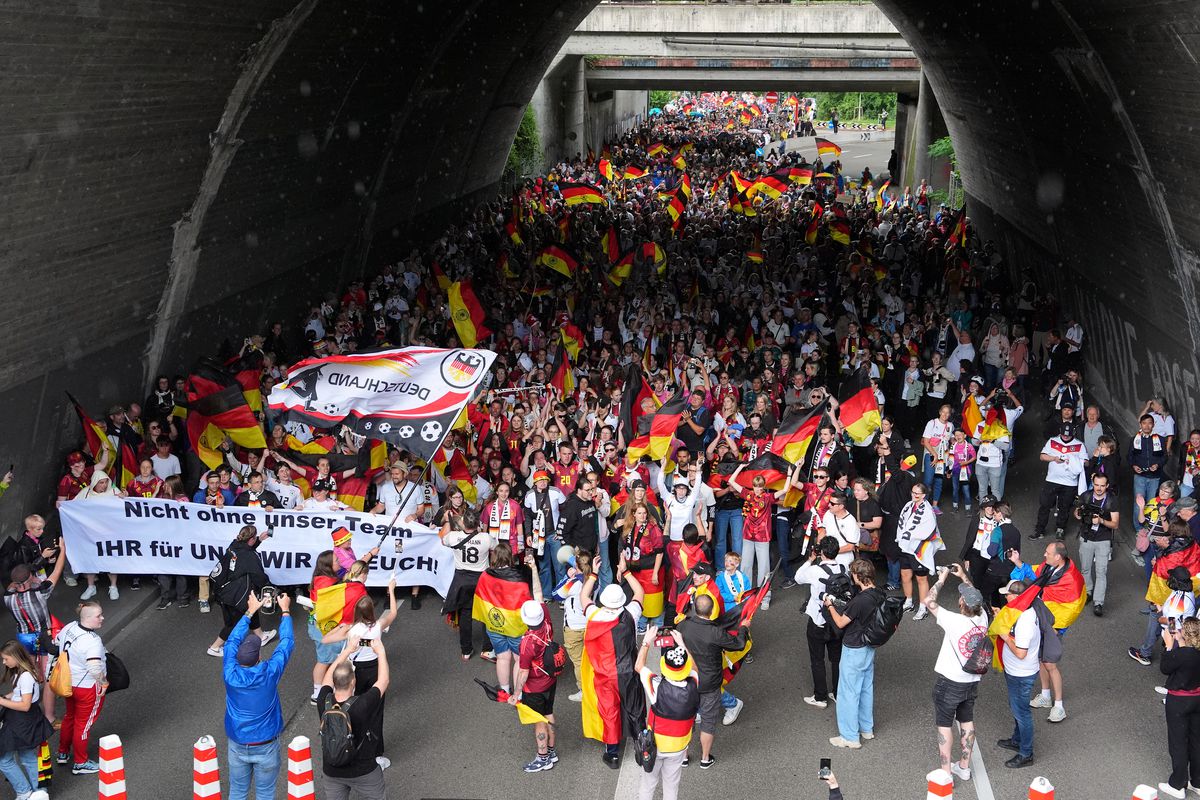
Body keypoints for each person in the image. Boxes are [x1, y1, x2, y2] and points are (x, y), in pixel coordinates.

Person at [223, 590, 295, 800]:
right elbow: (286, 643)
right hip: (266, 745)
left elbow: (231, 642)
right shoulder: (269, 673)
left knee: (237, 792)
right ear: (258, 657)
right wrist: (285, 611)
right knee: (265, 793)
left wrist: (250, 612)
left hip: (237, 743)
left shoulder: (230, 673)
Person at [321, 578, 399, 770]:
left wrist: (341, 627)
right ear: (372, 611)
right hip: (374, 669)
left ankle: (350, 742)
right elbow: (393, 613)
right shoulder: (378, 626)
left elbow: (325, 640)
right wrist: (391, 590)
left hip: (355, 672)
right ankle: (377, 753)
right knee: (376, 711)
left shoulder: (351, 629)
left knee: (354, 708)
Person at [921, 564, 988, 782]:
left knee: (944, 725)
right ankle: (964, 767)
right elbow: (976, 599)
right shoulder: (983, 618)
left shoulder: (954, 620)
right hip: (971, 680)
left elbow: (928, 601)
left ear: (961, 604)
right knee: (967, 721)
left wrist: (942, 579)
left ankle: (946, 772)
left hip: (949, 682)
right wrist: (964, 576)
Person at [580, 560, 645, 768]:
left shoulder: (594, 614)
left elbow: (584, 596)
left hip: (604, 675)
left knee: (609, 711)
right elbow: (639, 592)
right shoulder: (631, 614)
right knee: (635, 707)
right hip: (628, 671)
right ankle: (642, 746)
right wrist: (625, 572)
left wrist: (593, 574)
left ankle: (613, 753)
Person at [676, 592, 752, 769]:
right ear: (711, 612)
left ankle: (683, 757)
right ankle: (705, 758)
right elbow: (739, 644)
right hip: (710, 683)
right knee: (708, 723)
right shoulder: (715, 633)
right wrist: (743, 627)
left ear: (694, 609)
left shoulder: (683, 626)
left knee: (686, 720)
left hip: (688, 680)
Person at [316, 637, 390, 800]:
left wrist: (347, 650)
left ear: (334, 681)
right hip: (364, 770)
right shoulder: (362, 704)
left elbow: (327, 678)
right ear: (353, 681)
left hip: (332, 770)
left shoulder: (323, 701)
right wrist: (381, 652)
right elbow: (383, 680)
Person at [824, 558, 882, 749]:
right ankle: (866, 728)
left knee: (848, 692)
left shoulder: (859, 601)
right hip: (869, 646)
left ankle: (849, 736)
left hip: (854, 648)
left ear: (858, 576)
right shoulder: (879, 594)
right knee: (865, 688)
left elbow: (841, 622)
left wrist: (830, 605)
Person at [636, 630, 699, 800]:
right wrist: (682, 645)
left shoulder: (657, 686)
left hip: (655, 745)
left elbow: (639, 666)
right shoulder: (694, 682)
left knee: (648, 785)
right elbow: (694, 668)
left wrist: (646, 642)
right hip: (679, 746)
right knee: (671, 787)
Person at [510, 561, 558, 773]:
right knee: (549, 714)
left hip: (535, 687)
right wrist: (535, 569)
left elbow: (523, 671)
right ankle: (552, 751)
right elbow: (538, 593)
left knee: (538, 722)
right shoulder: (546, 621)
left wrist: (516, 693)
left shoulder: (527, 642)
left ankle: (543, 757)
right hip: (550, 680)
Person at [54, 601, 108, 774]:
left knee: (69, 717)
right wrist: (104, 682)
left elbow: (56, 641)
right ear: (88, 618)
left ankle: (62, 752)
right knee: (83, 725)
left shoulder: (70, 626)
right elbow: (94, 667)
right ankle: (80, 762)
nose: (102, 618)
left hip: (68, 682)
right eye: (98, 616)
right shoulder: (93, 641)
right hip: (87, 687)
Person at [208, 525, 277, 658]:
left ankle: (261, 636)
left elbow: (244, 550)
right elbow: (259, 577)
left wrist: (260, 540)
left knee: (251, 608)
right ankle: (215, 647)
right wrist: (271, 589)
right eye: (255, 537)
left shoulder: (234, 545)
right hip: (234, 595)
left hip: (223, 589)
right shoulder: (250, 556)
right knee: (233, 623)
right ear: (251, 539)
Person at [794, 536, 847, 709]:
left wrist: (810, 559)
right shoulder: (843, 568)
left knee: (817, 659)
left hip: (818, 621)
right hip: (837, 620)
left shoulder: (815, 570)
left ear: (821, 552)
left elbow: (798, 578)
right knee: (837, 659)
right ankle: (838, 693)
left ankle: (820, 697)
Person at [0, 640, 53, 800]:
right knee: (27, 757)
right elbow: (19, 693)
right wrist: (5, 697)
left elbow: (24, 705)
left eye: (6, 659)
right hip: (25, 721)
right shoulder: (23, 672)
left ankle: (25, 792)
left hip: (21, 722)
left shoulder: (25, 677)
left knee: (5, 760)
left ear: (16, 657)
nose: (4, 662)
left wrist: (1, 701)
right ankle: (39, 791)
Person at [439, 513, 496, 661]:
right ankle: (487, 649)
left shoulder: (453, 537)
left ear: (464, 524)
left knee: (465, 614)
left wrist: (448, 520)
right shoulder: (486, 538)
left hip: (462, 580)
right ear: (477, 524)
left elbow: (442, 539)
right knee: (486, 614)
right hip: (481, 580)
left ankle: (466, 650)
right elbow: (496, 548)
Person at [995, 579, 1039, 768]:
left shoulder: (1025, 622)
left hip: (1021, 674)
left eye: (1008, 594)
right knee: (1017, 709)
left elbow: (1021, 653)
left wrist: (1005, 637)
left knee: (1022, 713)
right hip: (1015, 672)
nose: (1005, 596)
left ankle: (1026, 753)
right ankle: (1017, 740)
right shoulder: (1022, 610)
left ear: (1016, 597)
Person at [1159, 617, 1200, 798]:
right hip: (1197, 700)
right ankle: (1197, 782)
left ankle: (1177, 784)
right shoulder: (1193, 653)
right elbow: (1188, 655)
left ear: (1185, 633)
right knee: (1196, 741)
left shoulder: (1181, 655)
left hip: (1178, 702)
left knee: (1178, 743)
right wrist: (1181, 642)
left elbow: (1165, 667)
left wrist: (1169, 646)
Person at [1072, 472, 1119, 616]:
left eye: (1102, 486)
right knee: (1085, 569)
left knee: (1101, 572)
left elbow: (1115, 524)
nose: (1099, 488)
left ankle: (1098, 603)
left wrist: (1101, 521)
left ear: (1107, 486)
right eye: (1096, 485)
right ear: (1092, 484)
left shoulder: (1112, 500)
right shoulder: (1085, 496)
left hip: (1103, 540)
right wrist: (1078, 513)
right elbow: (1076, 513)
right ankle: (1088, 591)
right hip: (1086, 537)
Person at [1032, 423, 1086, 540]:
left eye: (1068, 435)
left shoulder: (1079, 445)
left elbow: (1086, 462)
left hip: (1070, 483)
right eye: (1063, 434)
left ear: (1073, 434)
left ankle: (1060, 529)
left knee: (1064, 507)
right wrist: (1054, 458)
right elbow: (1042, 456)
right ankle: (1039, 530)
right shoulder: (1052, 441)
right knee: (1044, 505)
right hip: (1052, 480)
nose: (1065, 437)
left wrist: (1073, 459)